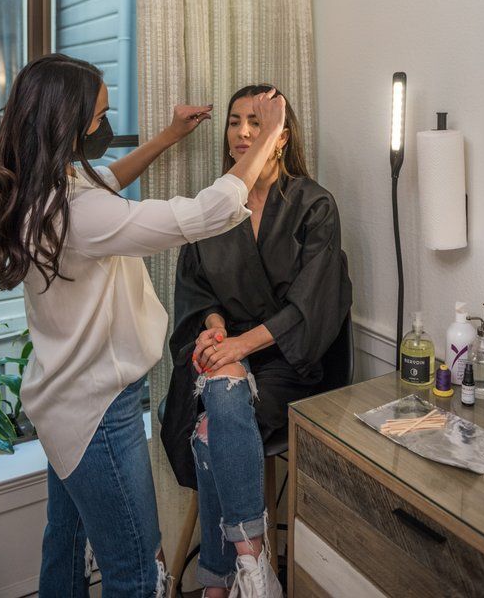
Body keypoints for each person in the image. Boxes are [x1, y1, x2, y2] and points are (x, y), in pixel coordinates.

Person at [0, 55, 286, 598]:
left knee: (66, 544)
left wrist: (168, 135)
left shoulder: (41, 185)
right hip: (99, 410)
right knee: (140, 574)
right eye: (98, 118)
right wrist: (269, 136)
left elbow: (106, 180)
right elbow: (203, 214)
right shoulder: (77, 214)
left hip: (59, 399)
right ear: (68, 126)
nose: (105, 126)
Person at [161, 84, 352, 598]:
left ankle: (217, 582)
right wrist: (216, 328)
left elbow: (313, 305)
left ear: (281, 139)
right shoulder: (217, 204)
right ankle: (253, 562)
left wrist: (241, 347)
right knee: (221, 391)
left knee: (210, 422)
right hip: (229, 350)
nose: (243, 132)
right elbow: (198, 288)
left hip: (293, 360)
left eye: (258, 122)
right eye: (234, 122)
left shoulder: (315, 206)